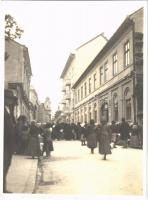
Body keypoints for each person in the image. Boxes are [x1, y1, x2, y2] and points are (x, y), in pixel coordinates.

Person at [3, 89, 17, 193]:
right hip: (4, 143)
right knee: (3, 166)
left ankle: (3, 188)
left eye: (11, 99)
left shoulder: (8, 109)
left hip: (9, 143)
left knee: (6, 164)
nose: (11, 101)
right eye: (9, 98)